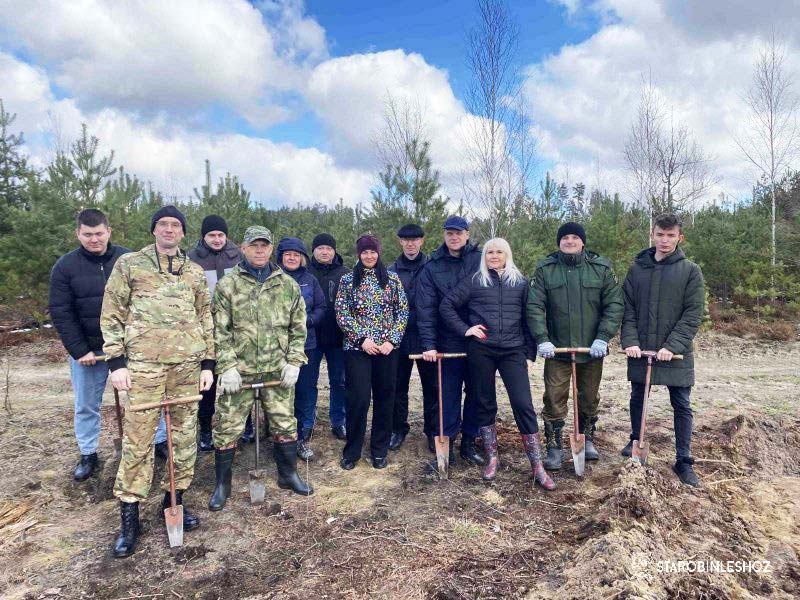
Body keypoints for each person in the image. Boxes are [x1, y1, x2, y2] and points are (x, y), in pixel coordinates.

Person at [101, 205, 215, 558]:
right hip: (144, 367)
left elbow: (205, 317)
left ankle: (174, 499)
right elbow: (112, 312)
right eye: (163, 224)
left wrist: (208, 364)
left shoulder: (194, 272)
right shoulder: (130, 265)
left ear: (183, 233)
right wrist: (116, 362)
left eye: (176, 225)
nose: (169, 230)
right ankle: (129, 517)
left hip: (186, 367)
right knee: (138, 439)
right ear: (154, 230)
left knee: (183, 436)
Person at [209, 226, 312, 512]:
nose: (259, 250)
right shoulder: (228, 286)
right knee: (227, 426)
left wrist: (294, 361)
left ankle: (288, 474)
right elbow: (220, 329)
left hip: (276, 370)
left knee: (284, 422)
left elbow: (297, 328)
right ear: (242, 248)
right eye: (253, 245)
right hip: (238, 374)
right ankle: (223, 484)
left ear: (271, 249)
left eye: (264, 246)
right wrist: (227, 365)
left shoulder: (286, 285)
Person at [440, 238, 555, 489]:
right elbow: (447, 305)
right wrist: (466, 329)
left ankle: (537, 465)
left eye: (499, 251)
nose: (494, 255)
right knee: (484, 401)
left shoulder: (521, 283)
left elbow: (529, 319)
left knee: (523, 403)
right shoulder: (475, 280)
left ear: (507, 254)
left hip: (513, 350)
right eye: (490, 252)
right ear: (485, 256)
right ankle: (492, 458)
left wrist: (528, 353)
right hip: (481, 349)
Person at [526, 222, 623, 471]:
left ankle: (586, 438)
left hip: (591, 350)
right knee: (554, 397)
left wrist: (603, 337)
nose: (569, 241)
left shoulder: (600, 269)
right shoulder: (546, 270)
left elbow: (614, 304)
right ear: (559, 242)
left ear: (582, 242)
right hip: (557, 351)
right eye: (565, 238)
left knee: (589, 396)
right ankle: (555, 445)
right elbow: (534, 306)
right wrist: (542, 338)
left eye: (574, 237)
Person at [620, 213, 704, 487]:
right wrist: (630, 341)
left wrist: (672, 346)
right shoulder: (637, 269)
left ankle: (683, 460)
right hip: (641, 349)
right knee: (638, 396)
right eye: (660, 234)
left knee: (681, 403)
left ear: (680, 237)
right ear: (652, 235)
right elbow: (627, 309)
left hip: (675, 353)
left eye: (670, 235)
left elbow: (692, 314)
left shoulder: (690, 270)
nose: (664, 240)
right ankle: (636, 439)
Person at [49, 209, 130, 481]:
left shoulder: (128, 259)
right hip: (89, 350)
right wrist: (79, 350)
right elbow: (61, 311)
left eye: (98, 233)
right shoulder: (65, 266)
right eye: (87, 234)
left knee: (144, 400)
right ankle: (88, 453)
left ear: (108, 231)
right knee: (86, 404)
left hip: (129, 349)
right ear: (78, 234)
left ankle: (156, 444)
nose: (94, 239)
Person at [416, 216, 485, 466]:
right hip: (447, 343)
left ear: (467, 235)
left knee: (477, 394)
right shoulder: (432, 267)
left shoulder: (480, 260)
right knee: (448, 396)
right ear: (444, 236)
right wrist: (429, 344)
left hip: (479, 340)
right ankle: (449, 443)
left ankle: (470, 442)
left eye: (458, 233)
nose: (454, 237)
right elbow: (425, 309)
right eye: (449, 233)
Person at [335, 234, 408, 470]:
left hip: (387, 350)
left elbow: (403, 312)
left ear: (378, 253)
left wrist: (392, 340)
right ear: (359, 254)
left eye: (372, 252)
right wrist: (361, 338)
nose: (369, 256)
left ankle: (379, 450)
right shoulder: (347, 281)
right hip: (358, 349)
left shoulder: (392, 280)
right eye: (364, 252)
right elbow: (342, 313)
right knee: (358, 399)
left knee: (385, 398)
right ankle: (352, 451)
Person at [187, 215, 244, 452]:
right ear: (204, 236)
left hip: (236, 327)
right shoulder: (191, 259)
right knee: (207, 383)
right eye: (212, 235)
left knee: (240, 378)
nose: (217, 239)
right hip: (206, 328)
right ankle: (206, 429)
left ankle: (245, 424)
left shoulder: (238, 256)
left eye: (221, 235)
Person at [387, 223, 437, 451]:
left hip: (428, 338)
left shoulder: (432, 267)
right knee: (398, 387)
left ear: (422, 241)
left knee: (432, 388)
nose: (410, 244)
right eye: (405, 240)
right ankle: (398, 429)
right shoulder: (390, 271)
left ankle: (433, 431)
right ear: (399, 241)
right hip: (400, 338)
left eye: (414, 239)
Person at [276, 237, 326, 460]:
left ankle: (303, 435)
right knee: (281, 391)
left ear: (303, 258)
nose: (292, 258)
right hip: (277, 347)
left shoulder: (310, 280)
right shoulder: (272, 278)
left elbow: (321, 307)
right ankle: (282, 437)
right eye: (288, 254)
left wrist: (308, 322)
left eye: (296, 254)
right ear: (281, 257)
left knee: (306, 389)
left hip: (308, 344)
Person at [307, 233, 350, 440]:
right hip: (311, 338)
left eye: (329, 248)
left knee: (339, 382)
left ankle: (339, 421)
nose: (325, 252)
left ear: (334, 251)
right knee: (308, 381)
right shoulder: (305, 273)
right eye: (320, 248)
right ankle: (306, 422)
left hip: (338, 338)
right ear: (313, 250)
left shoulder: (345, 274)